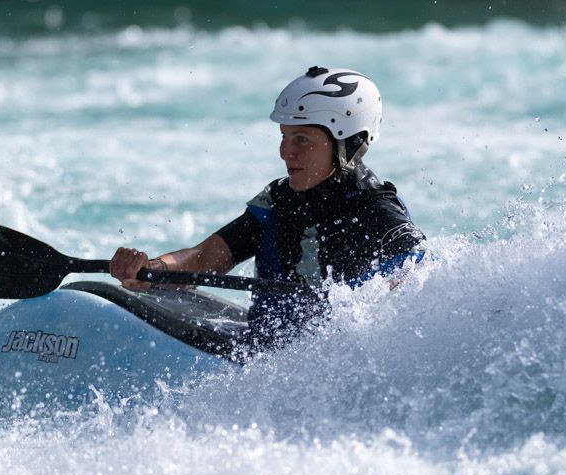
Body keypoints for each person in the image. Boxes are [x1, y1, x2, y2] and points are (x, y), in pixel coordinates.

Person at [110, 66, 425, 351]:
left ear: (348, 144)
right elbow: (204, 258)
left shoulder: (377, 209)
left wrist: (357, 298)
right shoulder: (278, 199)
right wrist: (153, 271)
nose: (285, 152)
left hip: (330, 363)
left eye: (302, 139)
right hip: (264, 353)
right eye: (284, 136)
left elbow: (421, 271)